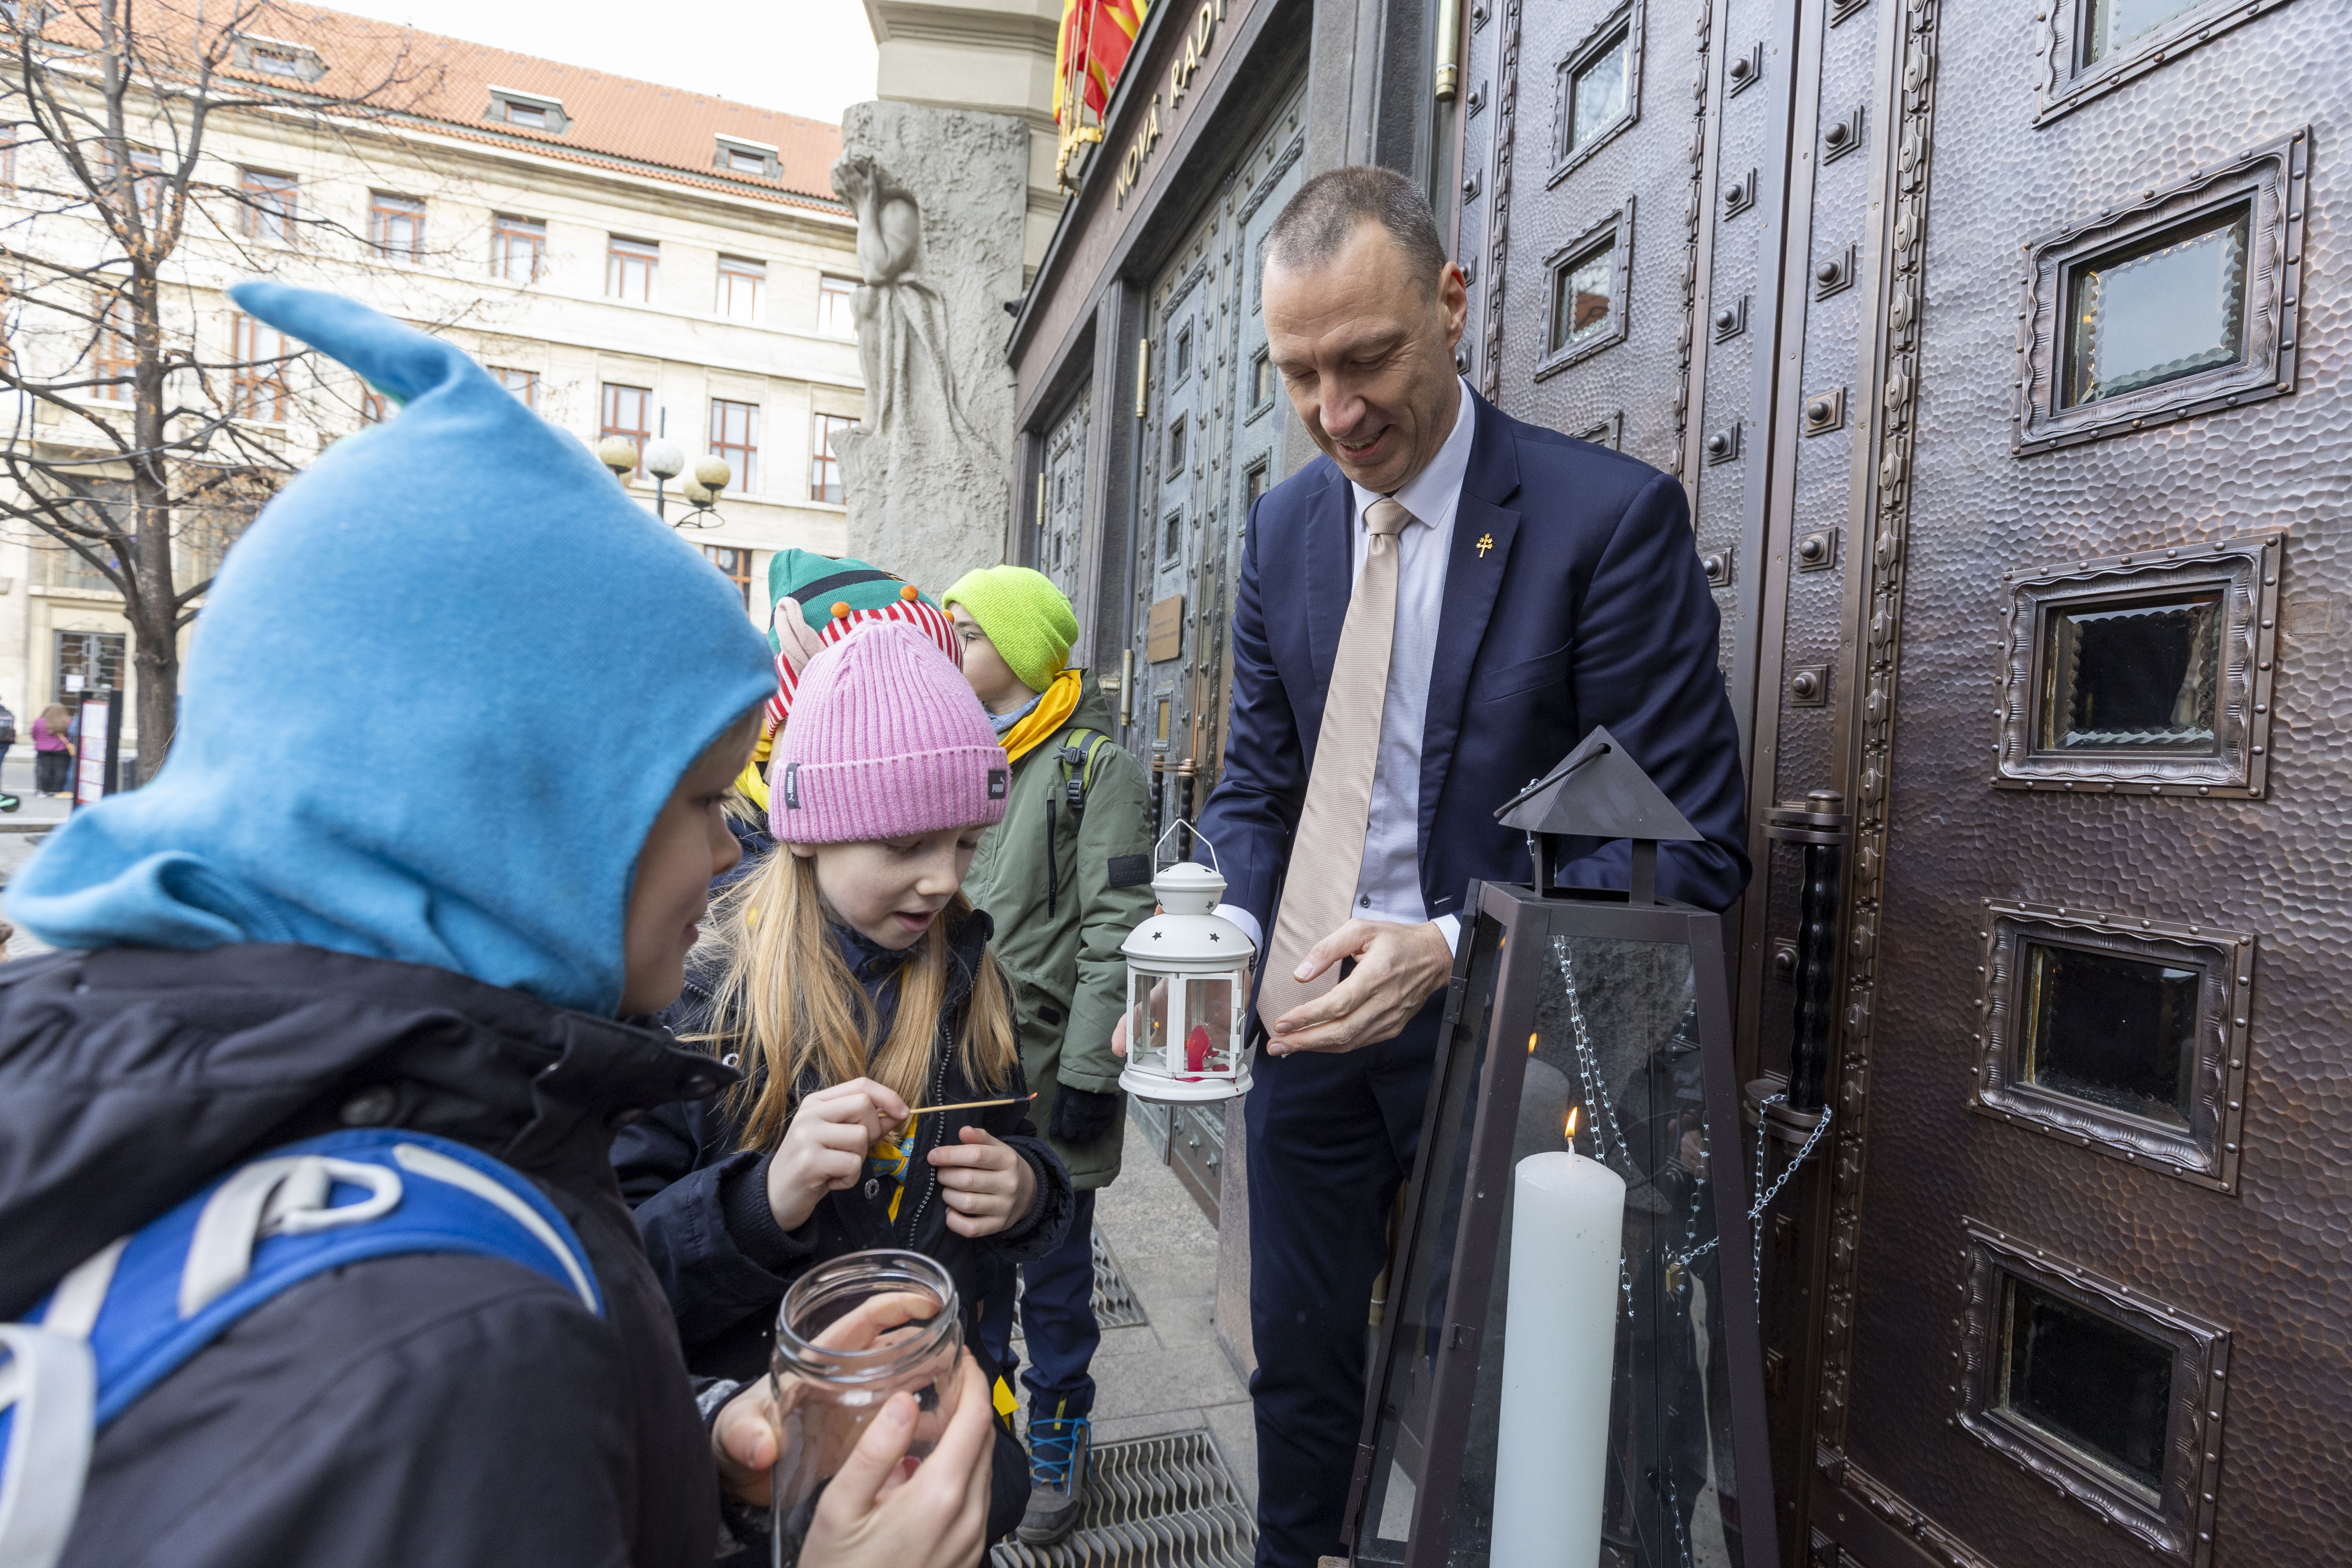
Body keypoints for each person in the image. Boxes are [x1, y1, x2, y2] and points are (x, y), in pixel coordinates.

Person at [0, 283, 994, 1568]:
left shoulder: (192, 1088)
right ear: (515, 805)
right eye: (697, 800)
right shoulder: (461, 1348)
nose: (726, 849)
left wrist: (672, 1457)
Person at [1132, 167, 1750, 1565]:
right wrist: (1215, 942)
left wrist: (1459, 951)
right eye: (1297, 373)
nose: (1335, 413)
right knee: (1294, 1373)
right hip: (1302, 1026)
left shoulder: (1608, 524)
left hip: (1516, 1044)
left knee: (1499, 1420)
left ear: (1452, 303)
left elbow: (1694, 850)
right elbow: (1258, 788)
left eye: (1367, 359)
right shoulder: (1281, 527)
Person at [616, 619, 1077, 1549]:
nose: (943, 879)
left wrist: (1026, 1189)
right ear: (812, 833)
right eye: (906, 844)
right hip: (768, 1483)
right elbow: (617, 1274)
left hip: (943, 1445)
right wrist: (758, 1201)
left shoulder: (968, 979)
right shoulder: (696, 1001)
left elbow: (1021, 1150)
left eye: (963, 844)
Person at [941, 565, 1155, 1544]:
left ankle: (1061, 1429)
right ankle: (979, 1433)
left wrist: (1085, 1078)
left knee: (1058, 1281)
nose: (951, 639)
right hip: (956, 1072)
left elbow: (1116, 926)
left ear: (1018, 651)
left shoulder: (1089, 766)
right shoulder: (956, 748)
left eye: (967, 627)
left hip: (1050, 1073)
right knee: (966, 1269)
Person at [32, 702, 72, 796]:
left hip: (43, 750)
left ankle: (43, 790)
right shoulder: (68, 722)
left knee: (44, 770)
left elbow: (34, 735)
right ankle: (58, 789)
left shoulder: (39, 722)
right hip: (62, 750)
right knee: (61, 770)